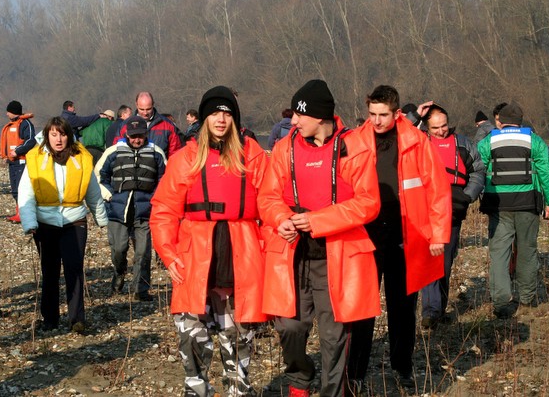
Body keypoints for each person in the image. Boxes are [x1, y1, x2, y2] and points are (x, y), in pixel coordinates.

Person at [258, 80, 382, 397]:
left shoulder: (354, 147)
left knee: (333, 334)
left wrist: (317, 220)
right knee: (289, 326)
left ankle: (333, 392)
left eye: (300, 116)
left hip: (337, 255)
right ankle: (300, 377)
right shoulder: (285, 147)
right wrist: (280, 218)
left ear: (320, 117)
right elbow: (268, 197)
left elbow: (368, 203)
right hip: (292, 252)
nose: (294, 122)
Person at [150, 86, 268, 397]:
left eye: (227, 113)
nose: (221, 118)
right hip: (194, 259)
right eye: (215, 112)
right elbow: (163, 211)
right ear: (203, 118)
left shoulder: (252, 154)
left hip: (240, 256)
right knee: (192, 335)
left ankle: (239, 389)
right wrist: (169, 255)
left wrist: (268, 254)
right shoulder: (185, 158)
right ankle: (197, 389)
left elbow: (271, 205)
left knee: (239, 334)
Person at [350, 85, 451, 389]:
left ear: (396, 113)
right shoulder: (354, 141)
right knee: (361, 308)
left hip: (405, 236)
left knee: (403, 306)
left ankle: (402, 368)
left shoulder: (417, 142)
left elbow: (438, 190)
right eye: (372, 114)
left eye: (383, 115)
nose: (376, 121)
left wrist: (438, 233)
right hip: (365, 235)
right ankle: (354, 373)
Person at [18, 117, 107, 333]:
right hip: (45, 223)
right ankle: (50, 319)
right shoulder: (36, 159)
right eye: (54, 134)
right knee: (49, 271)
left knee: (74, 270)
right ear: (47, 136)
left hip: (75, 221)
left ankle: (77, 319)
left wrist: (101, 218)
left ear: (69, 135)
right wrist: (29, 222)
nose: (59, 139)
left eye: (63, 134)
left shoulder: (82, 159)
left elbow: (92, 191)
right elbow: (26, 193)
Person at [478, 102, 549, 318]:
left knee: (500, 253)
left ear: (500, 121)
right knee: (527, 250)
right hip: (528, 203)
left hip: (498, 205)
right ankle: (527, 298)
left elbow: (478, 168)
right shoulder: (534, 140)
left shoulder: (488, 141)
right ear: (520, 122)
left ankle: (502, 303)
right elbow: (546, 173)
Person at [420, 103, 485, 328]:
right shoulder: (419, 143)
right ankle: (430, 312)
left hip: (454, 209)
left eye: (444, 125)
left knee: (445, 261)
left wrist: (468, 195)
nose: (441, 131)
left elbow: (478, 170)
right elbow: (400, 134)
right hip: (425, 210)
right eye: (436, 127)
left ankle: (438, 308)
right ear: (427, 128)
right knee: (431, 259)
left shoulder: (464, 144)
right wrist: (415, 115)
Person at [96, 116, 166, 301]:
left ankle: (140, 289)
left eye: (140, 136)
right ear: (126, 134)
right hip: (118, 211)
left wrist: (156, 199)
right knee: (118, 250)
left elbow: (164, 180)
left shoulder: (156, 152)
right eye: (133, 136)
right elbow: (98, 176)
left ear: (146, 134)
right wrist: (109, 195)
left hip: (145, 211)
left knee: (143, 252)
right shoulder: (113, 152)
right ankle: (119, 273)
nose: (137, 139)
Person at [0, 100, 36, 223]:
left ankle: (24, 214)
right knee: (15, 188)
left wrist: (18, 151)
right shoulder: (12, 124)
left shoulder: (25, 124)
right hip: (12, 162)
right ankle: (19, 212)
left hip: (22, 161)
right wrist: (5, 155)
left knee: (22, 188)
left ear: (14, 112)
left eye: (8, 111)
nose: (6, 114)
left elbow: (30, 141)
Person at [119, 92, 183, 158]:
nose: (145, 113)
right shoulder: (125, 126)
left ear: (153, 105)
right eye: (142, 109)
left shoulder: (168, 125)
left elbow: (175, 153)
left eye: (148, 109)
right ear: (136, 105)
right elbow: (117, 151)